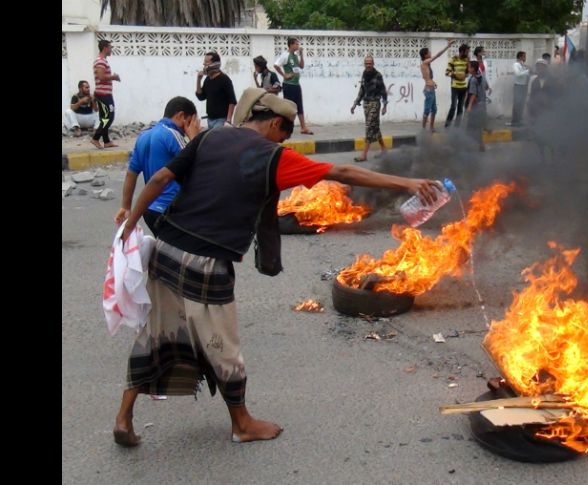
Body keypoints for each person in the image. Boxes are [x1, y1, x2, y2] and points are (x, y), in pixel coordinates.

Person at [112, 87, 442, 447]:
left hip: (166, 249)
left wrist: (131, 221)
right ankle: (242, 424)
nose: (286, 141)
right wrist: (407, 183)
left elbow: (160, 179)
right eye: (286, 133)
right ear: (274, 123)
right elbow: (343, 171)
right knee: (224, 347)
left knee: (156, 335)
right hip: (206, 262)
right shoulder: (273, 157)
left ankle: (124, 418)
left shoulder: (210, 136)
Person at [114, 97, 201, 234]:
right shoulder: (173, 135)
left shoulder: (143, 136)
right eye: (190, 122)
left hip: (149, 209)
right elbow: (196, 163)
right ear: (181, 116)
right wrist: (195, 139)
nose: (188, 129)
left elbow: (131, 174)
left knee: (164, 250)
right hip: (170, 209)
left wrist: (126, 207)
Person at [350, 56, 388, 162]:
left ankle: (364, 154)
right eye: (366, 63)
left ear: (373, 63)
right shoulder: (364, 74)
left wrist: (385, 106)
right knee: (375, 127)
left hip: (375, 103)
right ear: (364, 64)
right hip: (366, 104)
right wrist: (355, 103)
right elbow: (362, 90)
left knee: (369, 126)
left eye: (370, 63)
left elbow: (383, 91)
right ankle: (384, 150)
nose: (368, 65)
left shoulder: (378, 75)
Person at [274, 38, 314, 135]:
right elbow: (276, 65)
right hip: (289, 85)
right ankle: (284, 127)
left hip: (296, 84)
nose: (298, 46)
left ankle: (303, 127)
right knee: (288, 107)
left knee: (299, 106)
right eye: (296, 44)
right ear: (291, 45)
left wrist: (301, 55)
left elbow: (301, 66)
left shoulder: (295, 56)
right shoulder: (285, 55)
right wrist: (284, 75)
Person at [419, 40, 455, 132]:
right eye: (429, 52)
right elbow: (438, 55)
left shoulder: (426, 64)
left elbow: (427, 77)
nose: (430, 53)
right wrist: (447, 46)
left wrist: (433, 82)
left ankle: (431, 127)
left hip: (431, 89)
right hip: (428, 90)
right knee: (427, 110)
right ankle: (423, 130)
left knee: (434, 109)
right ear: (425, 55)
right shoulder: (425, 62)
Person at [195, 51, 237, 129]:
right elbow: (201, 97)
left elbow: (232, 101)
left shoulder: (225, 79)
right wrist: (198, 80)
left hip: (221, 120)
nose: (204, 64)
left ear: (214, 64)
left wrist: (228, 120)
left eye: (206, 62)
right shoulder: (208, 79)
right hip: (210, 119)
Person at [92, 39, 121, 149]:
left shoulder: (102, 61)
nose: (111, 49)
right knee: (109, 116)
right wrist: (114, 77)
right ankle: (95, 138)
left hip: (103, 93)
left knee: (104, 117)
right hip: (103, 94)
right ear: (105, 48)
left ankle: (107, 141)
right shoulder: (100, 61)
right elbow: (101, 77)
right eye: (110, 47)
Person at [444, 43, 471, 128]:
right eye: (467, 52)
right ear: (462, 52)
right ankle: (447, 125)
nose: (468, 54)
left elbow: (468, 73)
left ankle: (457, 127)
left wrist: (468, 64)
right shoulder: (453, 59)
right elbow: (447, 72)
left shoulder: (466, 60)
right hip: (455, 87)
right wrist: (457, 75)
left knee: (460, 108)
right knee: (453, 106)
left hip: (464, 87)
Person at [466, 60, 490, 152]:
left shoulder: (472, 80)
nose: (468, 69)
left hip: (475, 107)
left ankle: (468, 145)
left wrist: (469, 106)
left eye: (469, 67)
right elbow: (487, 87)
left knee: (470, 127)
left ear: (473, 69)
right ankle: (481, 146)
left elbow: (473, 94)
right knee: (478, 127)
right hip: (483, 106)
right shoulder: (482, 77)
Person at [511, 51, 530, 126]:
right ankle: (515, 121)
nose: (525, 58)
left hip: (523, 86)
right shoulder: (516, 64)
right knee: (517, 104)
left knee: (521, 104)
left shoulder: (522, 65)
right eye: (524, 56)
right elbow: (518, 74)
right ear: (520, 57)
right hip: (518, 86)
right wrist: (528, 71)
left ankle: (519, 120)